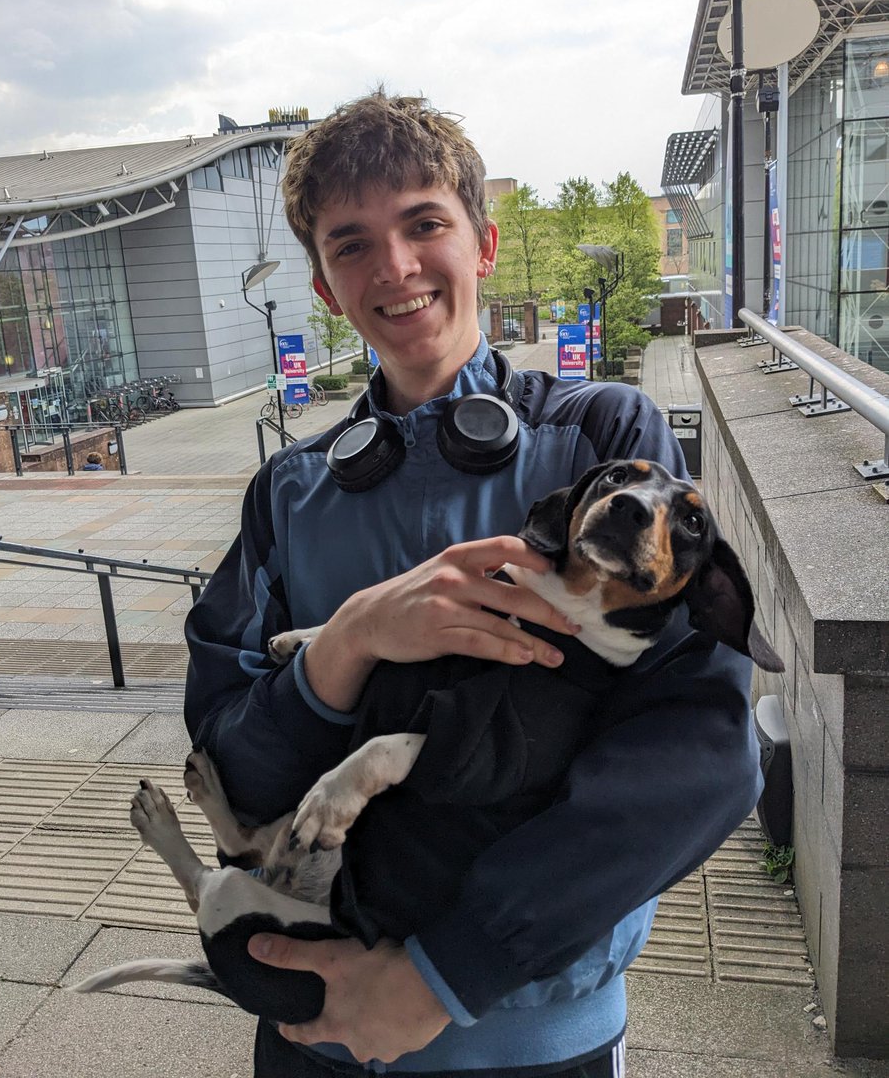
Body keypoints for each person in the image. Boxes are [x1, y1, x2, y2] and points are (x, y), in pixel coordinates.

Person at [184, 92, 762, 1078]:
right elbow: (229, 770)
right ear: (324, 287)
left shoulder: (604, 449)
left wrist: (441, 978)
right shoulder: (286, 493)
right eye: (352, 243)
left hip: (536, 1042)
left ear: (483, 243)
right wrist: (345, 645)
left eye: (423, 225)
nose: (396, 267)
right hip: (313, 1033)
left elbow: (700, 753)